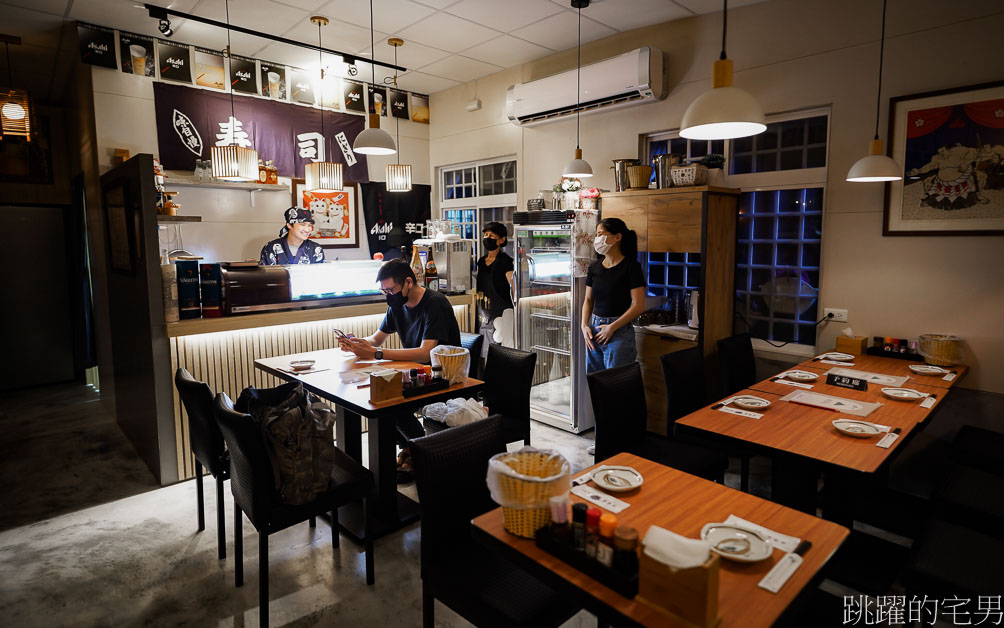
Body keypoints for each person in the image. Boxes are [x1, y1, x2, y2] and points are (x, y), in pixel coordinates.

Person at [341, 258, 461, 481]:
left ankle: (417, 450)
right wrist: (357, 345)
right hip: (414, 373)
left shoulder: (435, 303)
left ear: (408, 282)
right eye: (383, 291)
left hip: (442, 375)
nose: (388, 295)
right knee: (379, 398)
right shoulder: (397, 305)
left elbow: (427, 353)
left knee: (390, 404)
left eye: (390, 290)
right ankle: (412, 449)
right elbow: (377, 339)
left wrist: (376, 354)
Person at [581, 218, 646, 455]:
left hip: (618, 335)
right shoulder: (595, 267)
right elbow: (588, 300)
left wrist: (613, 327)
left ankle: (620, 443)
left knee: (617, 392)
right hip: (595, 332)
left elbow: (638, 305)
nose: (597, 239)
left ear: (617, 237)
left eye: (601, 233)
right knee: (599, 390)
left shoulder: (631, 267)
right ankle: (603, 440)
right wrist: (584, 325)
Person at [475, 222, 515, 353]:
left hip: (501, 313)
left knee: (499, 350)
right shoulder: (481, 262)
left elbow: (513, 286)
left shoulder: (505, 261)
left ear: (502, 240)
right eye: (486, 235)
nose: (487, 238)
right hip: (483, 313)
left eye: (492, 236)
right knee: (482, 349)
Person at [259, 206, 326, 265]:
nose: (307, 230)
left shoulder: (315, 248)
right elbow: (267, 276)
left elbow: (320, 275)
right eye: (302, 224)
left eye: (310, 225)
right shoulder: (271, 248)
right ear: (289, 225)